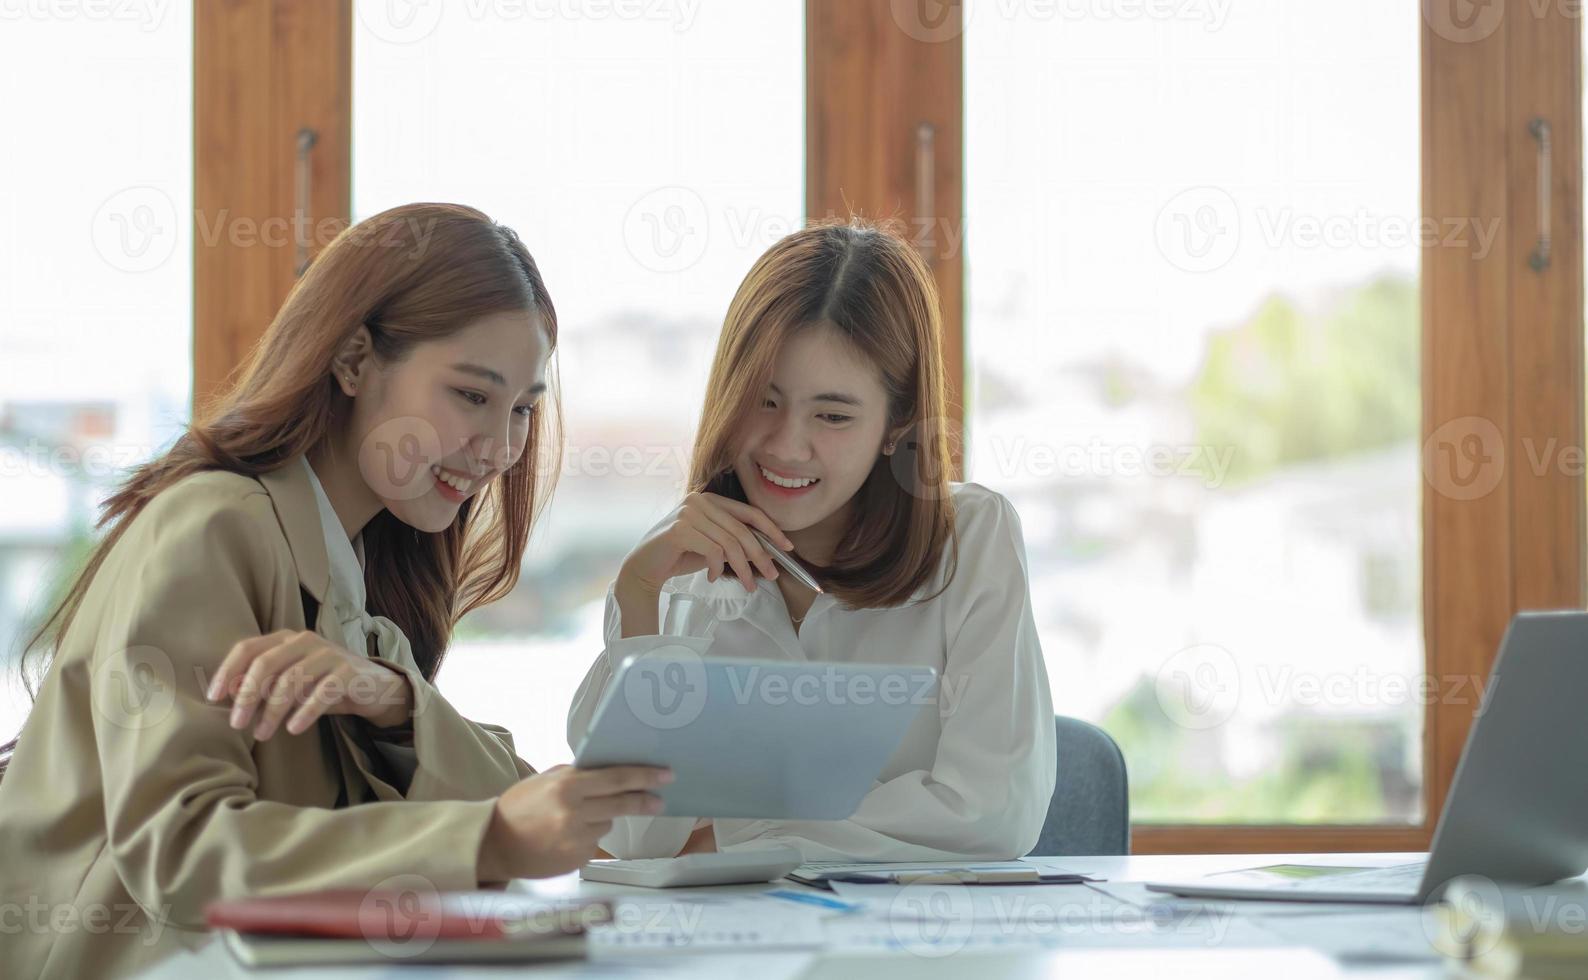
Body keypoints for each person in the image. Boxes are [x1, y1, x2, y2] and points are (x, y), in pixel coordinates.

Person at [0, 203, 668, 979]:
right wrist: (483, 840)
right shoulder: (216, 525)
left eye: (522, 409)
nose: (500, 449)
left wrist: (393, 699)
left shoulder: (365, 559)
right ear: (353, 361)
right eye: (471, 396)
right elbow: (180, 853)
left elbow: (519, 802)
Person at [568, 221, 1056, 862]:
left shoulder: (970, 538)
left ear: (895, 425)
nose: (785, 446)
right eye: (764, 402)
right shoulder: (680, 567)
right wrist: (636, 598)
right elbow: (632, 838)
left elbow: (993, 816)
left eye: (832, 415)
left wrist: (739, 835)